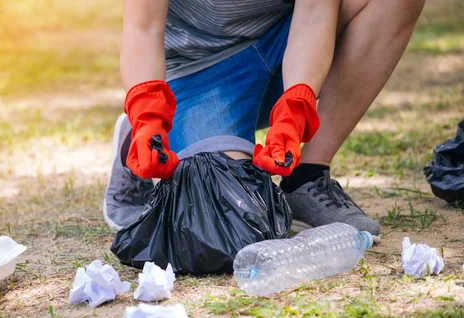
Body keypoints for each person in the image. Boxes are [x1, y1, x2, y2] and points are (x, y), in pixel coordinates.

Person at [103, 0, 426, 240]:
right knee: (235, 223)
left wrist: (296, 104)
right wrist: (148, 113)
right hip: (197, 73)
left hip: (284, 46)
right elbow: (142, 27)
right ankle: (141, 130)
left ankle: (307, 177)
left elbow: (314, 16)